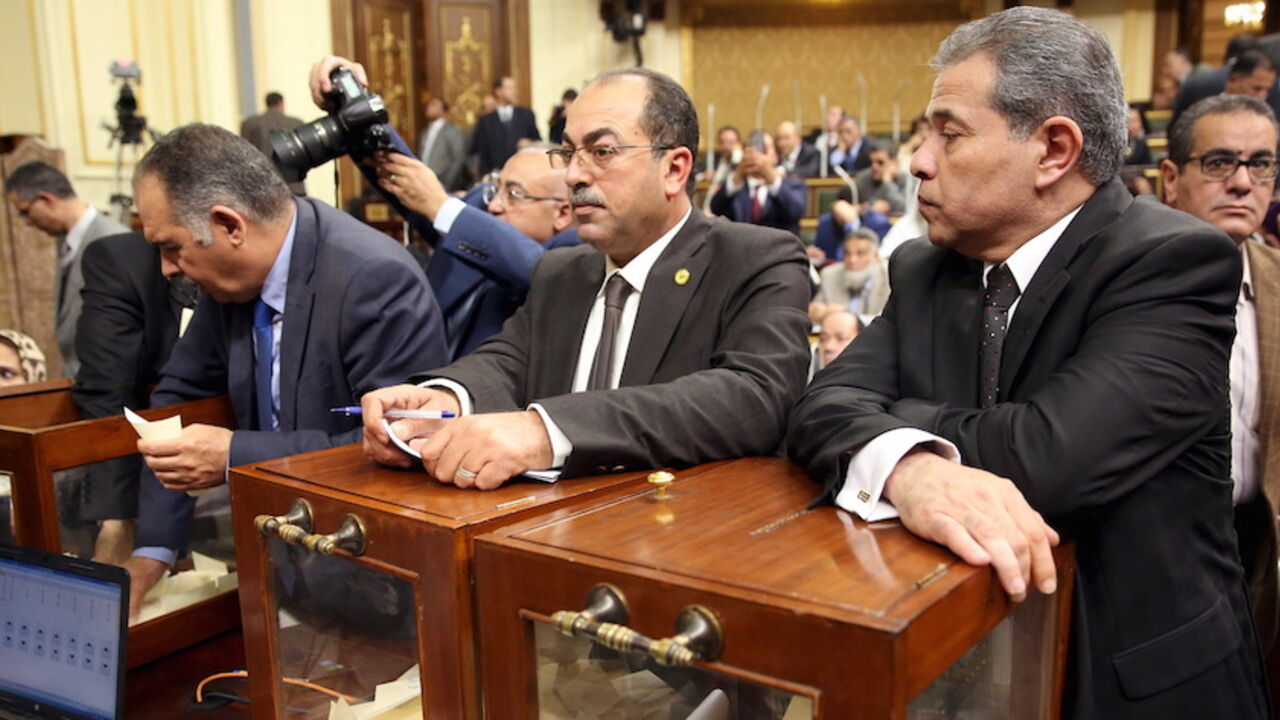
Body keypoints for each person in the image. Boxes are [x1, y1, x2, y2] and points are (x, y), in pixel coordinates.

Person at [786, 8, 1269, 718]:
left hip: (1134, 684)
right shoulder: (926, 268)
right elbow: (818, 406)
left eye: (949, 133)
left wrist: (899, 427)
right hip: (972, 676)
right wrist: (911, 469)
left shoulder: (1171, 261)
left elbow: (1049, 460)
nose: (920, 160)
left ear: (1053, 150)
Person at [360, 67, 811, 490]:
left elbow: (754, 398)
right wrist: (444, 399)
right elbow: (508, 363)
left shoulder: (754, 259)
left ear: (674, 169)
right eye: (569, 153)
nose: (573, 174)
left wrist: (546, 432)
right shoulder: (562, 270)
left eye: (602, 152)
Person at [122, 123, 447, 616]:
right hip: (273, 565)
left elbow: (396, 445)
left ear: (230, 226)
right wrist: (154, 550)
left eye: (171, 247)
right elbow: (177, 402)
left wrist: (234, 456)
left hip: (373, 580)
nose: (167, 268)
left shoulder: (373, 279)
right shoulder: (228, 282)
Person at [1161, 93, 1280, 656]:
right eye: (1219, 163)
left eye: (1261, 164)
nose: (1242, 183)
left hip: (1261, 542)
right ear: (1171, 178)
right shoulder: (1122, 284)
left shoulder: (1278, 281)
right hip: (1161, 551)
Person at [70, 231, 196, 565]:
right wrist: (117, 518)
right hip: (153, 473)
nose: (168, 267)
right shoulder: (121, 261)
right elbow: (109, 385)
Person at [5, 162, 128, 378]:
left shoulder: (113, 239)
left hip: (110, 379)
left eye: (25, 212)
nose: (27, 223)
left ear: (46, 199)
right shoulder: (68, 242)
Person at [709, 131, 807, 236]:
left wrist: (770, 177)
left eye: (763, 150)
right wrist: (738, 173)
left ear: (776, 155)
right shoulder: (735, 186)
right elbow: (716, 208)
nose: (756, 156)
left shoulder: (793, 184)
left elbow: (796, 211)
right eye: (751, 150)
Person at [811, 228, 889, 319]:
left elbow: (888, 320)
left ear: (876, 256)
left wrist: (851, 317)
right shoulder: (830, 274)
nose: (852, 260)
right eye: (847, 253)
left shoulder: (889, 277)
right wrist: (820, 311)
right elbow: (815, 308)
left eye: (860, 253)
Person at [471, 76, 540, 176]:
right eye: (509, 88)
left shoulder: (526, 115)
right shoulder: (485, 121)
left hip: (523, 172)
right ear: (498, 91)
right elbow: (482, 154)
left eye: (515, 87)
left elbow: (538, 141)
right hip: (496, 174)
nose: (514, 91)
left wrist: (530, 143)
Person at [239, 91, 306, 195]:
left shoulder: (250, 124)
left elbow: (243, 154)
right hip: (294, 186)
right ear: (281, 103)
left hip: (263, 187)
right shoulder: (296, 123)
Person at [418, 97, 468, 193]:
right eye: (429, 104)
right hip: (425, 182)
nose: (429, 107)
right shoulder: (424, 132)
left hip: (444, 183)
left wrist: (447, 183)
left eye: (434, 105)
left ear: (443, 112)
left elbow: (458, 159)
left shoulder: (452, 131)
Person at [854, 142, 908, 215]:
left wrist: (887, 182)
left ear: (895, 163)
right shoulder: (863, 178)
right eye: (871, 162)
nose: (874, 167)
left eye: (880, 163)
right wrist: (871, 208)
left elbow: (904, 208)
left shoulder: (907, 180)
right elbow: (858, 207)